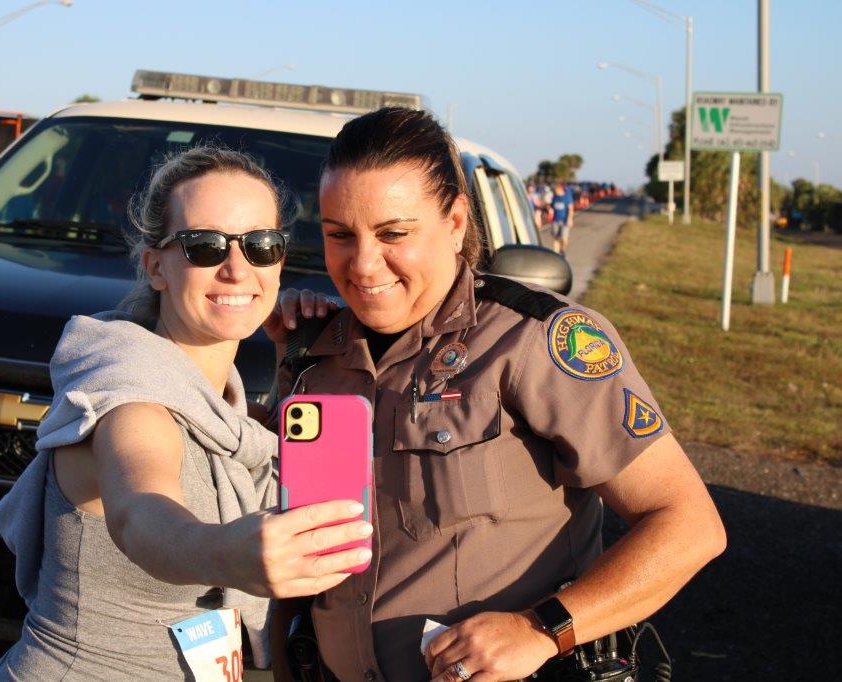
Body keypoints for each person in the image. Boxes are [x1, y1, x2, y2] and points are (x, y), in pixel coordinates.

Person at [265, 108, 726, 682]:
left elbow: (689, 525)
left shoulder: (532, 340)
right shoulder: (312, 353)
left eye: (394, 234)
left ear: (456, 221)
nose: (362, 264)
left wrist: (543, 628)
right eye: (339, 235)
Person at [0, 147, 371, 680]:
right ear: (155, 266)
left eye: (262, 245)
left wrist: (292, 362)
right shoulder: (127, 398)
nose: (238, 269)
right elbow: (140, 512)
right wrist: (226, 552)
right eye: (205, 246)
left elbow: (263, 452)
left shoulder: (225, 411)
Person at [549, 181, 574, 255]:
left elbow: (571, 209)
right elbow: (552, 206)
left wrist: (570, 219)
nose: (555, 191)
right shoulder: (554, 197)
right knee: (556, 237)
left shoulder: (567, 197)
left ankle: (562, 249)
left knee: (564, 238)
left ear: (560, 189)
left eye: (556, 189)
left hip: (564, 221)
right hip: (555, 220)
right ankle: (556, 254)